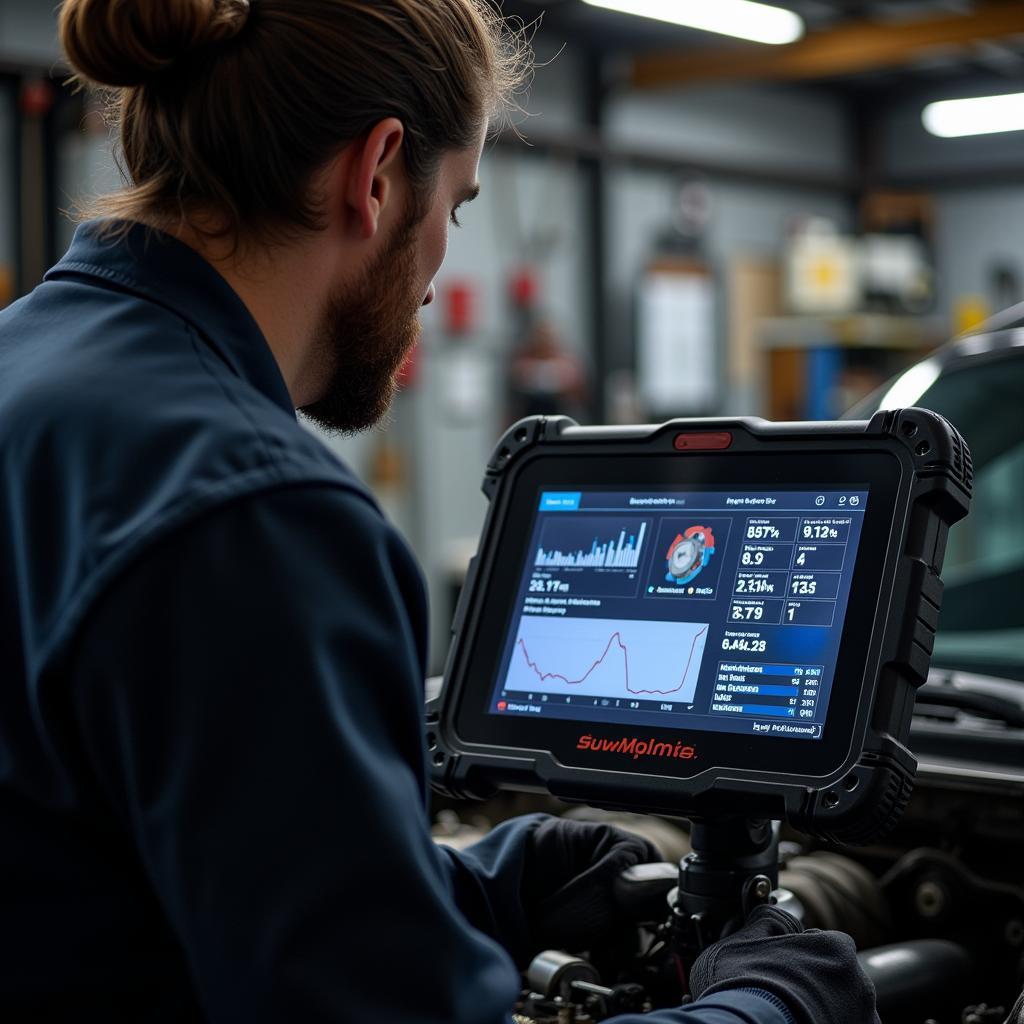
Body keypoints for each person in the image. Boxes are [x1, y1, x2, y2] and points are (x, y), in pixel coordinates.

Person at [0, 1, 878, 1021]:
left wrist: (484, 881)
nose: (434, 277)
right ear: (375, 176)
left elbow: (113, 882)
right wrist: (761, 1012)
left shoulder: (28, 369)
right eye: (454, 207)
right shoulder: (257, 516)